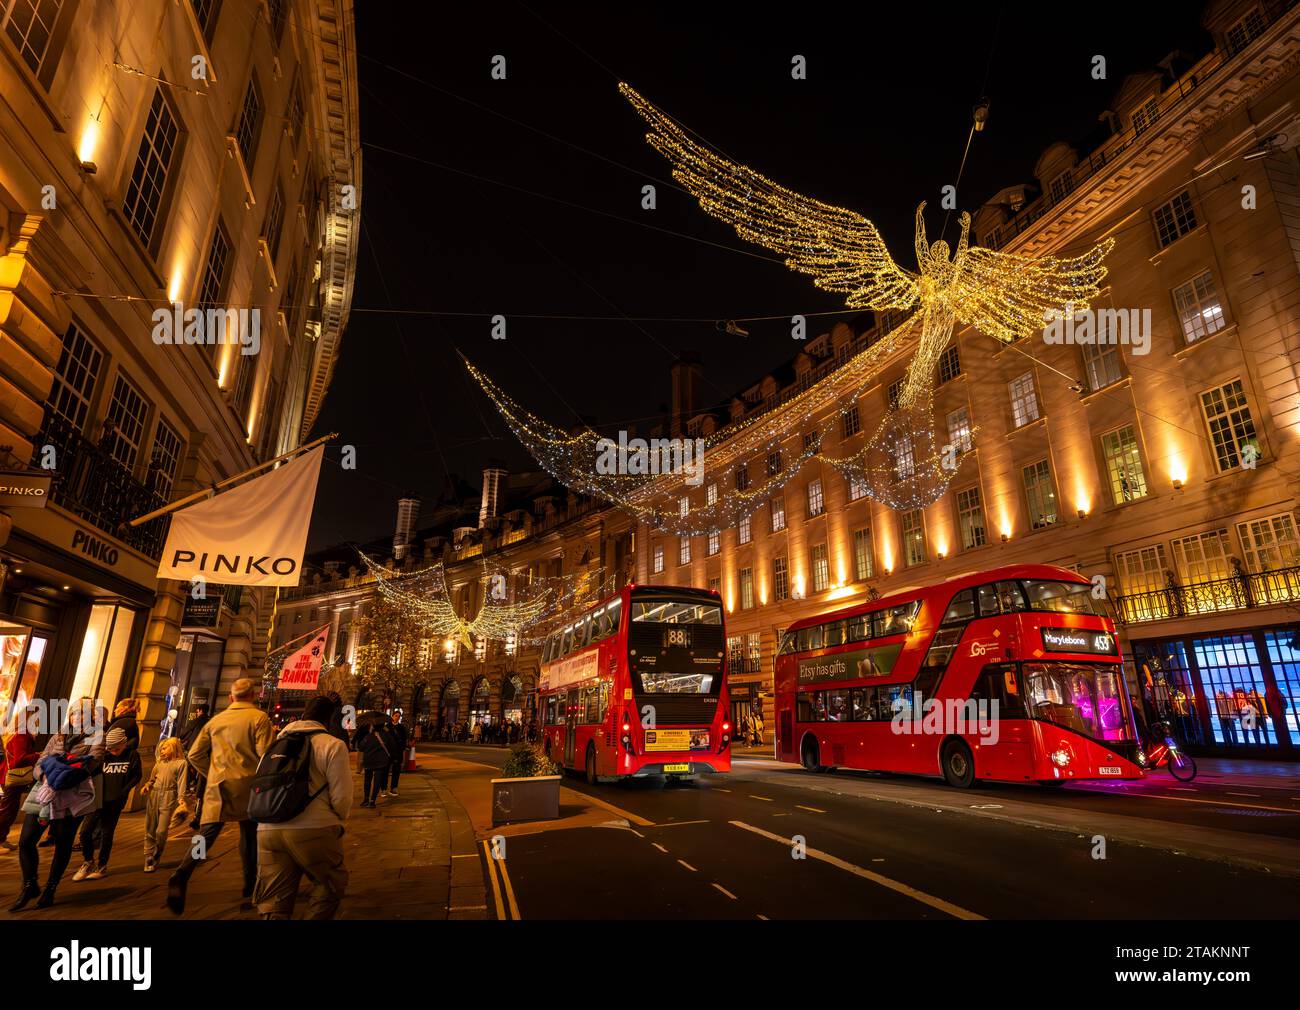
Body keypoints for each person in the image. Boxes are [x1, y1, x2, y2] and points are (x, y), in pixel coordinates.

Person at [167, 678, 275, 915]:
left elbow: (194, 754)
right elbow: (266, 756)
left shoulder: (217, 720)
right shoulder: (258, 718)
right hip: (248, 787)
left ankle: (183, 872)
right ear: (254, 696)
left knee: (206, 835)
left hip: (217, 786)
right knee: (249, 836)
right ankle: (249, 885)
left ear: (230, 697)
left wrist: (212, 772)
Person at [253, 694, 352, 919]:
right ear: (329, 718)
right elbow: (342, 798)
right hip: (314, 828)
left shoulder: (274, 745)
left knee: (273, 899)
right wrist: (338, 819)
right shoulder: (333, 745)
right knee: (330, 885)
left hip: (267, 829)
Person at [9, 698, 104, 911]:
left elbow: (92, 762)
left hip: (72, 795)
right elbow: (41, 761)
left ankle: (51, 888)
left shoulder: (96, 736)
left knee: (63, 842)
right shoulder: (59, 735)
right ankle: (29, 884)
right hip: (44, 791)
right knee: (26, 840)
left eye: (82, 713)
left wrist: (62, 774)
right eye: (74, 713)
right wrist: (44, 776)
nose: (77, 717)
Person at [73, 727, 141, 881]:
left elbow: (136, 775)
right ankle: (88, 861)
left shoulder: (132, 755)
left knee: (106, 833)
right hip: (97, 799)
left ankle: (102, 865)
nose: (114, 752)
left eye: (117, 748)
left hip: (115, 801)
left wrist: (123, 792)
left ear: (124, 743)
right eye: (111, 749)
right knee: (85, 832)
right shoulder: (103, 755)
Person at [142, 736, 188, 872]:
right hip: (154, 795)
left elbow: (181, 782)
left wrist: (181, 799)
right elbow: (152, 779)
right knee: (150, 828)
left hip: (169, 796)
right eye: (161, 748)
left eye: (165, 748)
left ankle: (157, 853)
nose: (162, 751)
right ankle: (148, 856)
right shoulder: (159, 763)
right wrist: (147, 786)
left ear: (174, 748)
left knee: (161, 831)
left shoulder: (181, 764)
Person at [0, 703, 41, 851]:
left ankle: (2, 837)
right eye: (37, 717)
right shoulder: (21, 735)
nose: (39, 721)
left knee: (9, 809)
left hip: (9, 776)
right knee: (8, 810)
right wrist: (38, 755)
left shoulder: (19, 733)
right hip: (12, 777)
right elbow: (19, 759)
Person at [177, 704, 210, 826]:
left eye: (197, 710)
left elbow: (184, 733)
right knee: (202, 782)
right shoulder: (211, 721)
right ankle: (198, 815)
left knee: (189, 769)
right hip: (207, 756)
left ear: (200, 711)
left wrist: (181, 739)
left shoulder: (197, 720)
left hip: (195, 752)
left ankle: (189, 785)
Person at [357, 717, 393, 808]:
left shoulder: (368, 736)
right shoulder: (387, 735)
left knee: (367, 780)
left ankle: (365, 799)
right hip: (381, 762)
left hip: (369, 761)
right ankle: (372, 801)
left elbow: (360, 747)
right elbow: (393, 747)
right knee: (377, 781)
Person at [388, 711, 408, 797]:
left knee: (396, 771)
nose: (397, 717)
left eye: (399, 716)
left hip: (398, 752)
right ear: (392, 716)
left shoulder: (401, 727)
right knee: (385, 771)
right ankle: (384, 788)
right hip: (388, 752)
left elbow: (404, 741)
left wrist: (403, 751)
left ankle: (394, 788)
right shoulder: (387, 727)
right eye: (396, 716)